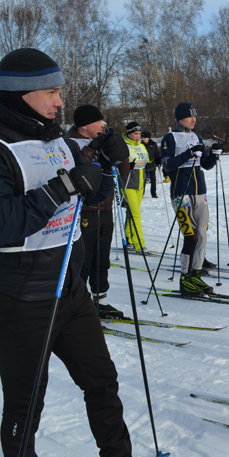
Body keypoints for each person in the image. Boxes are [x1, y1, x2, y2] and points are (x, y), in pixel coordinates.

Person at [0, 48, 147, 457]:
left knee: (102, 382)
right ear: (22, 94)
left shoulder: (54, 139)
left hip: (69, 289)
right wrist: (62, 188)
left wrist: (112, 165)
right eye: (52, 92)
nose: (61, 102)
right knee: (25, 405)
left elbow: (90, 195)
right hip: (19, 298)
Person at [68, 104, 130, 319]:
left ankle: (101, 301)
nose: (103, 125)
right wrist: (94, 146)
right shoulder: (70, 144)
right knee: (83, 260)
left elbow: (123, 171)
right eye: (99, 121)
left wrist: (120, 153)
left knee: (102, 259)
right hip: (83, 211)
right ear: (85, 125)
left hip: (106, 208)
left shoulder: (102, 140)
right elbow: (78, 172)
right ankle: (80, 304)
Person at [160, 102, 221, 296]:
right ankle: (184, 278)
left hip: (199, 192)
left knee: (202, 235)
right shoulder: (170, 137)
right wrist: (188, 153)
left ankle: (195, 274)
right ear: (180, 118)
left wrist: (214, 155)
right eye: (189, 117)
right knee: (191, 236)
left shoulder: (196, 136)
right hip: (181, 192)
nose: (193, 119)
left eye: (195, 116)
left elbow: (205, 164)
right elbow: (167, 165)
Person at [122, 122, 149, 252]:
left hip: (140, 184)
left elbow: (146, 163)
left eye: (139, 134)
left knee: (132, 213)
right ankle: (139, 244)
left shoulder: (141, 146)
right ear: (128, 133)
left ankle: (129, 238)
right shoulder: (123, 146)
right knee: (136, 214)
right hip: (128, 184)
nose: (138, 136)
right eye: (135, 134)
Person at [141, 131, 161, 199]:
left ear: (148, 138)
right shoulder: (140, 144)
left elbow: (157, 153)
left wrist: (158, 160)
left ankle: (154, 193)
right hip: (143, 165)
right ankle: (141, 193)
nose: (143, 139)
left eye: (145, 137)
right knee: (143, 180)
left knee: (153, 180)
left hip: (152, 164)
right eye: (143, 137)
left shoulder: (153, 144)